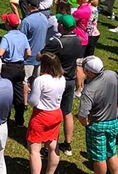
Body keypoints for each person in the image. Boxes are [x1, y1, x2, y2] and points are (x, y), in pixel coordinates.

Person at [38, 14, 82, 157]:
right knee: (67, 112)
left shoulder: (58, 42)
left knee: (52, 111)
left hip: (56, 80)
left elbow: (41, 56)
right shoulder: (78, 40)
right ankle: (67, 144)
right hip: (70, 80)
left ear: (62, 26)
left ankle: (47, 146)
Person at [78, 56, 118, 174]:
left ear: (88, 72)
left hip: (97, 126)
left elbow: (82, 116)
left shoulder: (89, 90)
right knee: (111, 151)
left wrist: (87, 124)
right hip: (113, 122)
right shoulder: (112, 74)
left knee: (99, 157)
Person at [26, 53, 65, 174]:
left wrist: (29, 91)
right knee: (53, 146)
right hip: (56, 113)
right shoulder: (61, 78)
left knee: (35, 150)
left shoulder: (40, 80)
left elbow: (33, 101)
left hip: (41, 116)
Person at [0, 13, 31, 127]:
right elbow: (28, 53)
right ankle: (20, 120)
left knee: (5, 94)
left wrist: (1, 62)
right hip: (20, 68)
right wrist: (22, 59)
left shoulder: (7, 37)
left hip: (8, 68)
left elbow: (0, 53)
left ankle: (5, 117)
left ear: (7, 24)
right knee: (19, 94)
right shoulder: (23, 36)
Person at [20, 0, 49, 109]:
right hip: (40, 55)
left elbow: (22, 40)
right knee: (37, 80)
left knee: (25, 80)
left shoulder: (26, 21)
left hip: (29, 57)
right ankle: (38, 99)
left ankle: (25, 103)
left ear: (29, 5)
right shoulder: (44, 18)